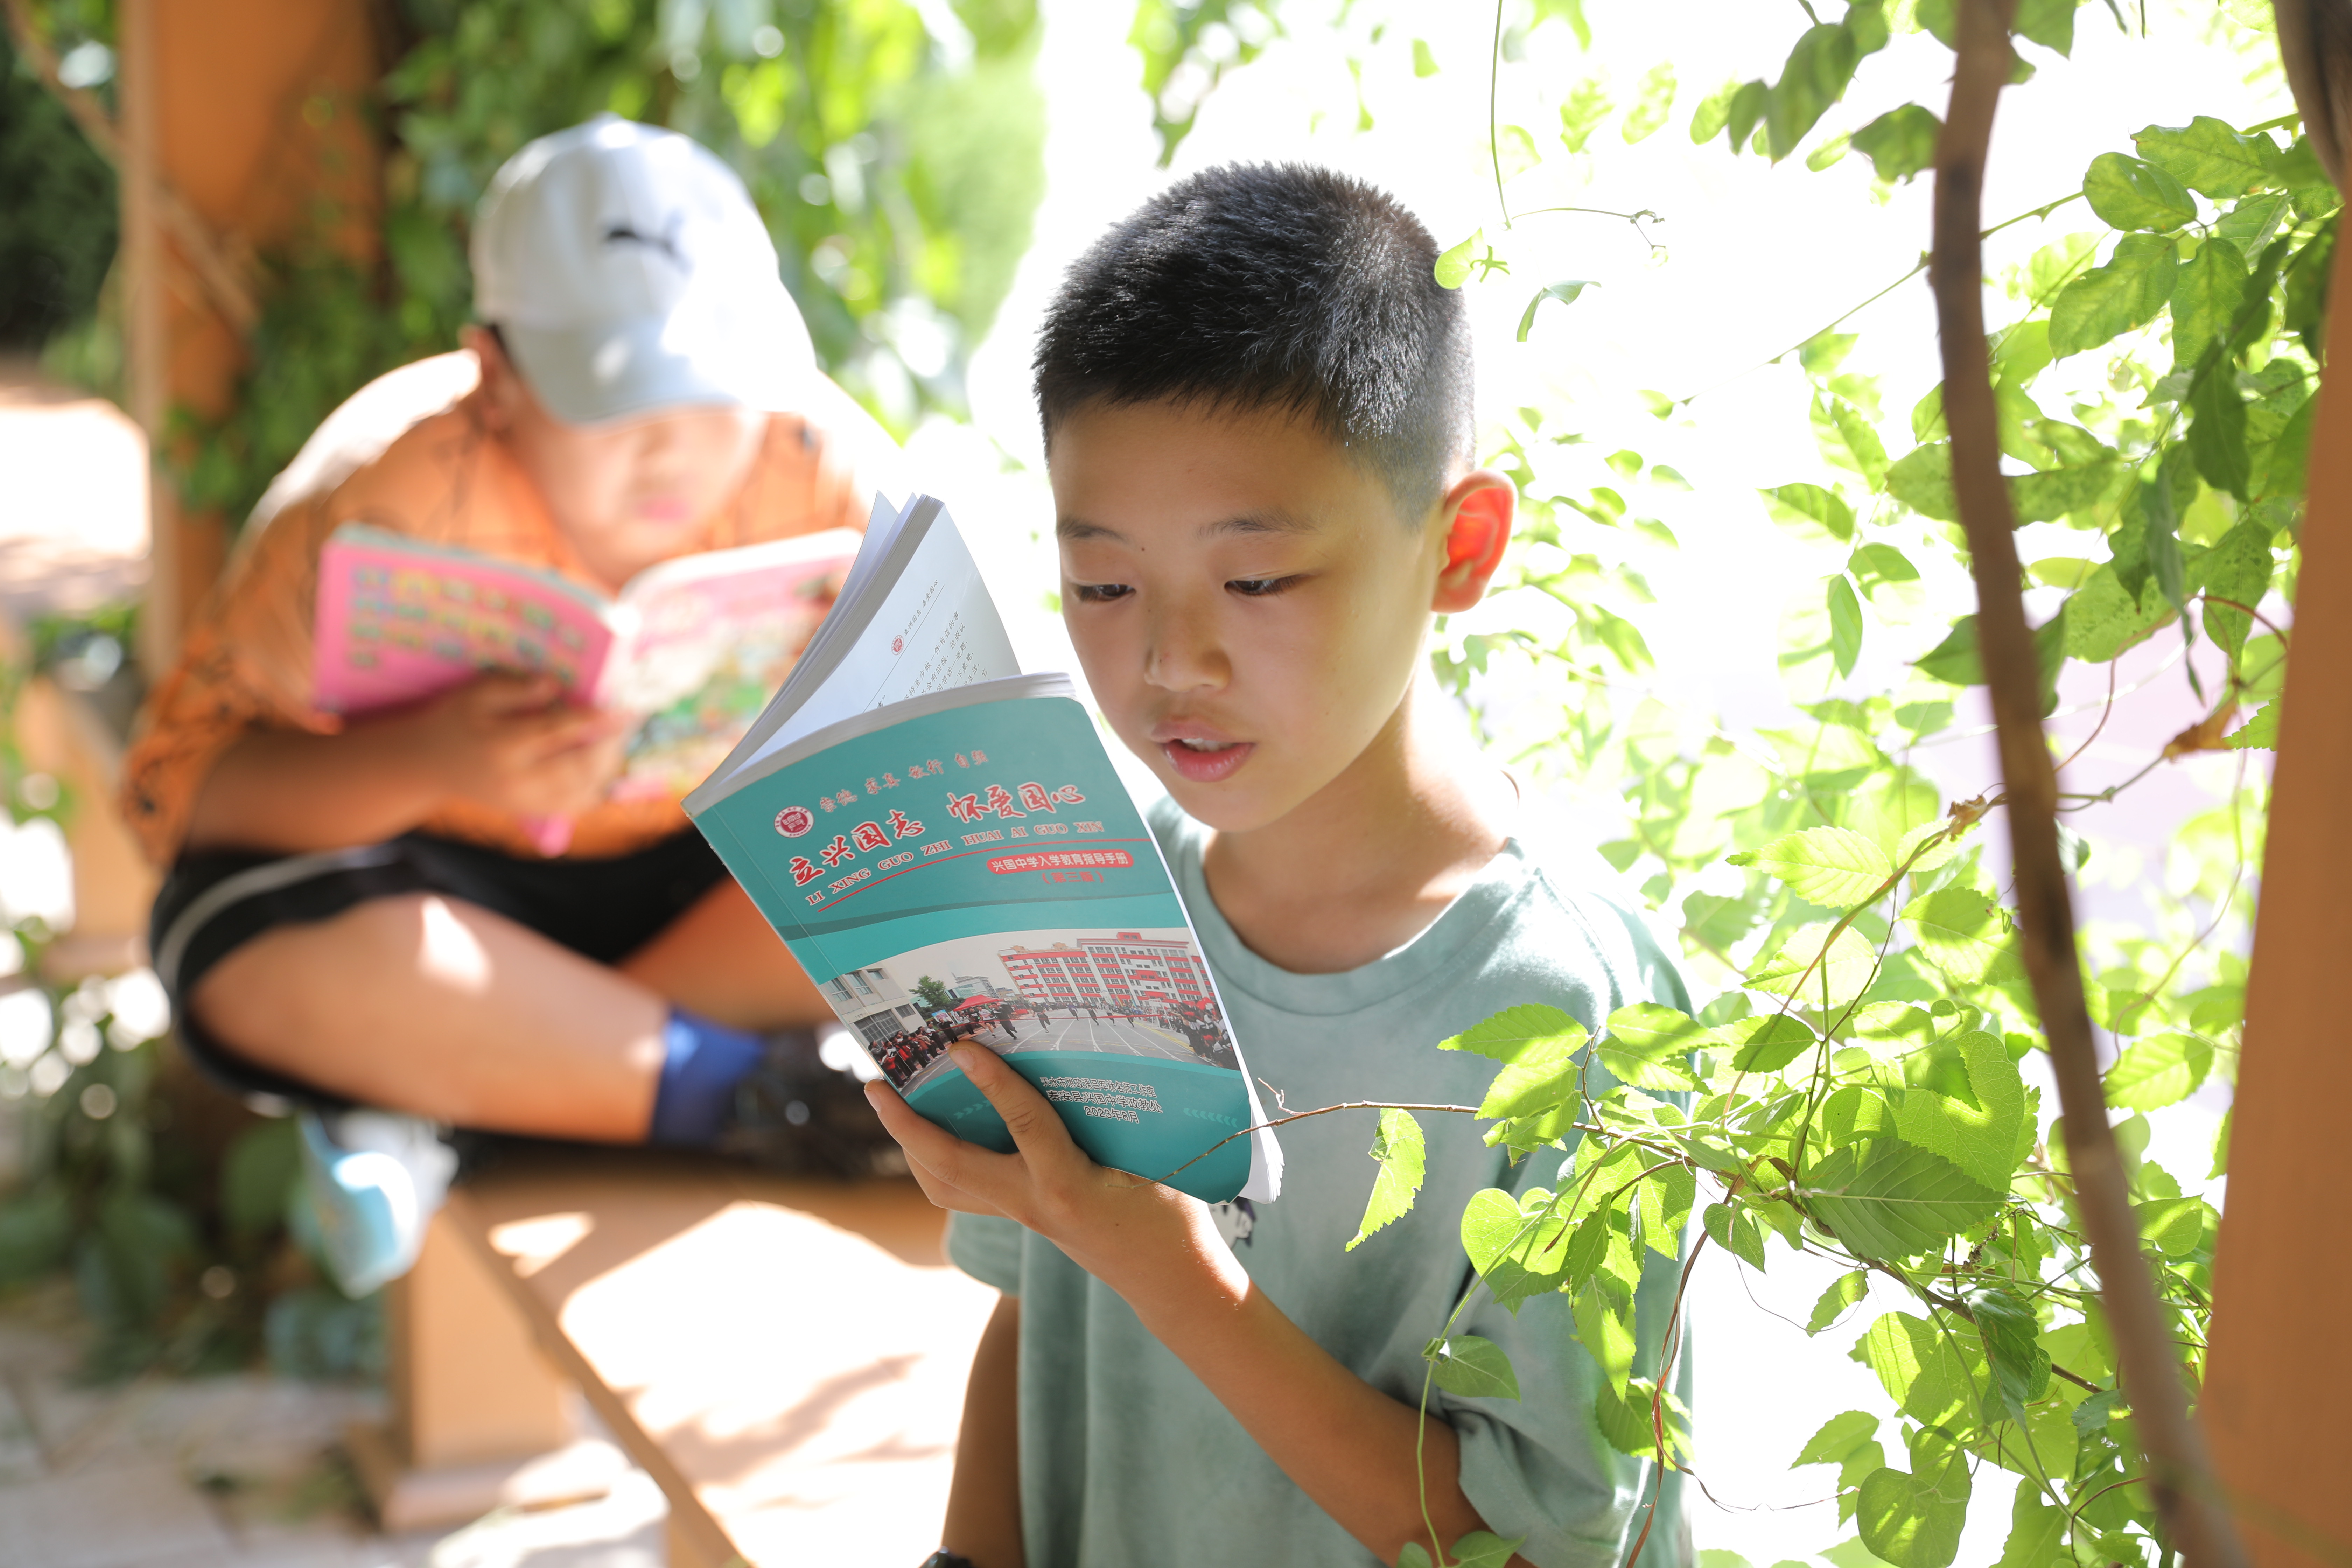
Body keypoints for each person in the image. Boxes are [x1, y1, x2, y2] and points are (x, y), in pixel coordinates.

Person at [864, 165, 1695, 1568]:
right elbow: (1034, 1317)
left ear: (1460, 546)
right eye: (1105, 585)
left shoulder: (1576, 1009)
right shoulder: (1105, 898)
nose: (1171, 660)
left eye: (1255, 584)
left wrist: (1166, 1266)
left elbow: (1533, 1544)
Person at [124, 118, 899, 1283]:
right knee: (225, 943)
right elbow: (182, 804)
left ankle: (481, 1098)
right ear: (496, 375)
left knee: (905, 876)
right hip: (452, 901)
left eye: (716, 392)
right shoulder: (379, 494)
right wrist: (428, 762)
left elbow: (951, 754)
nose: (673, 447)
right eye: (616, 397)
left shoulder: (823, 466)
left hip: (710, 898)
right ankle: (749, 1091)